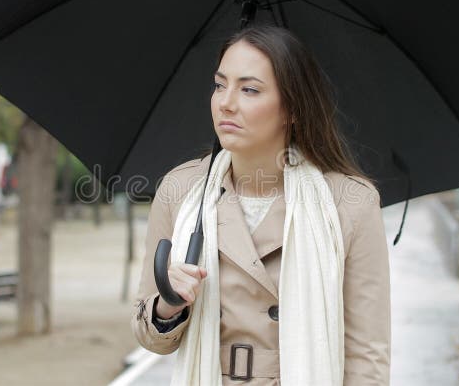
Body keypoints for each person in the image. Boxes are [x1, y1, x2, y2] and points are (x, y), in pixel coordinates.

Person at [131, 25, 391, 385]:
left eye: (249, 89)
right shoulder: (182, 191)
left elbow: (367, 355)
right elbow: (150, 336)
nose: (226, 102)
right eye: (220, 84)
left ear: (293, 109)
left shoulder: (350, 204)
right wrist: (169, 304)